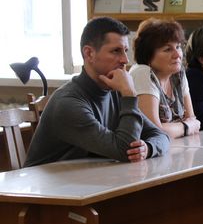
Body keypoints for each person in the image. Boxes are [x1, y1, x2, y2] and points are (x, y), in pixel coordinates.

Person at [25, 17, 170, 167]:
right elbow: (125, 151)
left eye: (125, 51)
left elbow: (160, 135)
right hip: (47, 181)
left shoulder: (115, 91)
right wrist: (129, 95)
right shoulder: (68, 102)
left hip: (86, 176)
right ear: (89, 54)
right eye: (116, 51)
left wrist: (148, 148)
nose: (125, 60)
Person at [129, 18, 200, 139]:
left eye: (178, 47)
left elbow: (192, 120)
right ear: (147, 55)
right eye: (168, 49)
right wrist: (186, 127)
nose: (177, 55)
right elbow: (154, 132)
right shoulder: (142, 72)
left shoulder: (177, 73)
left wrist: (184, 127)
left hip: (176, 145)